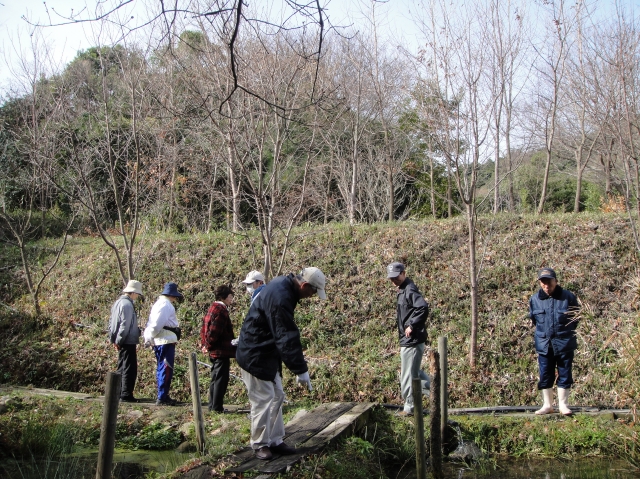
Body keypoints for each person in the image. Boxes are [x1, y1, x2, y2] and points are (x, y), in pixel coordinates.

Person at [236, 267, 327, 460]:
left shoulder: (285, 288)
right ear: (304, 285)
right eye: (312, 292)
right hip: (255, 354)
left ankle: (275, 440)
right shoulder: (280, 296)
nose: (311, 297)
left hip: (267, 353)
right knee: (263, 399)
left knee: (277, 395)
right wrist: (300, 370)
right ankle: (260, 443)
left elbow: (282, 335)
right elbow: (286, 335)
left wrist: (298, 368)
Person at [529, 268, 580, 416]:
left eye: (549, 282)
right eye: (543, 282)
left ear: (556, 281)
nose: (546, 285)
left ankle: (563, 405)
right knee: (545, 374)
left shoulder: (568, 297)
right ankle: (547, 405)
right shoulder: (535, 299)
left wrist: (565, 333)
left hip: (564, 342)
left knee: (565, 372)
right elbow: (534, 320)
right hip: (544, 343)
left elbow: (576, 318)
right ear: (540, 283)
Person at [387, 262, 430, 417]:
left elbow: (423, 307)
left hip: (412, 340)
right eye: (391, 279)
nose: (394, 281)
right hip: (410, 340)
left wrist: (411, 325)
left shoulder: (409, 289)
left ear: (403, 273)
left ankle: (409, 407)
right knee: (415, 371)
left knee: (408, 374)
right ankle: (435, 389)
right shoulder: (403, 288)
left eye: (396, 277)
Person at [144, 282, 184, 406]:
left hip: (162, 339)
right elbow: (156, 324)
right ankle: (162, 396)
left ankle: (164, 394)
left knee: (163, 367)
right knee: (165, 368)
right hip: (165, 340)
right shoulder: (165, 305)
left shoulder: (160, 304)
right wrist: (149, 337)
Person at [200, 285, 237, 413]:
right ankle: (217, 407)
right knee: (221, 379)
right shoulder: (221, 310)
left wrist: (204, 344)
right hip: (220, 350)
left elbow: (205, 328)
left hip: (214, 350)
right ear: (224, 297)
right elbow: (215, 331)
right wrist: (208, 345)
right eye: (230, 296)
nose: (231, 299)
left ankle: (212, 405)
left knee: (215, 378)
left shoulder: (212, 308)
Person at [108, 280, 143, 403]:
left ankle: (118, 392)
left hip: (121, 340)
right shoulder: (127, 305)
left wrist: (114, 339)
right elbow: (125, 325)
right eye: (137, 294)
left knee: (121, 366)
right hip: (127, 341)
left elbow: (112, 322)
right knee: (129, 368)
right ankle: (126, 394)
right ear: (133, 292)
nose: (138, 296)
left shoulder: (117, 303)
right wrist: (119, 340)